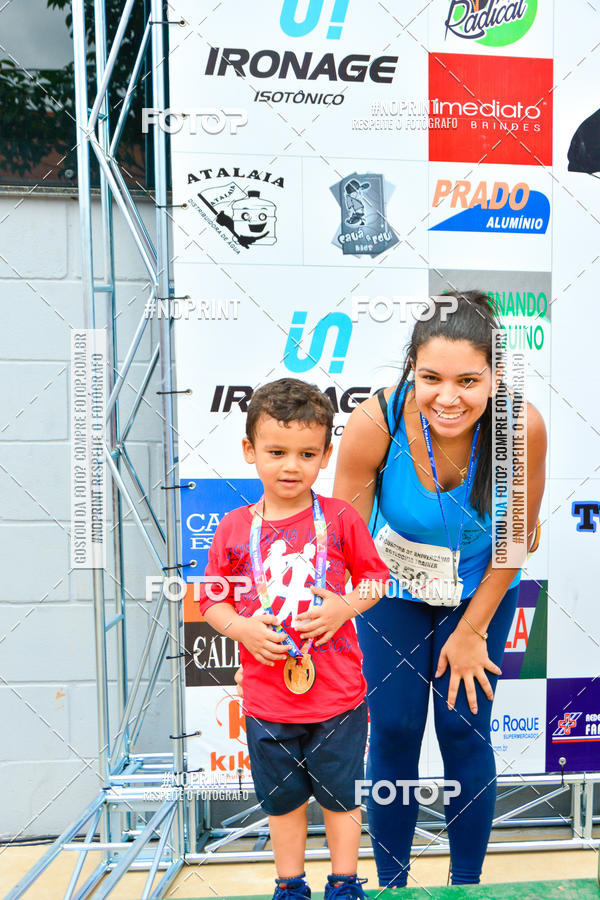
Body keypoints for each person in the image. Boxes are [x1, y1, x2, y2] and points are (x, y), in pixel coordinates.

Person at [332, 292, 547, 887]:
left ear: (495, 374)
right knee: (396, 728)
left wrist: (473, 631)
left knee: (462, 726)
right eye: (430, 377)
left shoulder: (520, 426)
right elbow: (345, 535)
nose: (447, 397)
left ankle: (466, 886)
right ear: (411, 370)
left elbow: (515, 542)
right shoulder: (375, 422)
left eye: (468, 380)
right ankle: (393, 885)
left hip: (481, 588)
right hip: (393, 588)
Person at [198, 377, 389, 900]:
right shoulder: (234, 528)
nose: (290, 466)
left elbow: (375, 581)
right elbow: (210, 601)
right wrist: (240, 628)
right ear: (249, 451)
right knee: (282, 801)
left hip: (338, 696)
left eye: (307, 453)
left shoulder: (342, 518)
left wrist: (343, 607)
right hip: (266, 698)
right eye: (276, 451)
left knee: (341, 797)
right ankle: (289, 885)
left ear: (326, 455)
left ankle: (346, 883)